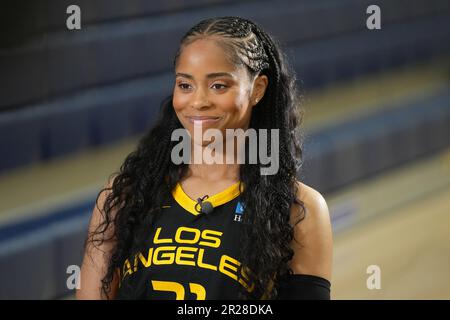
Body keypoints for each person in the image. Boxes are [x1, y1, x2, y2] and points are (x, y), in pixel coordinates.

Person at [76, 16, 332, 300]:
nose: (198, 102)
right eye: (185, 85)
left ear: (257, 89)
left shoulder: (298, 210)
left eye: (218, 86)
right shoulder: (124, 196)